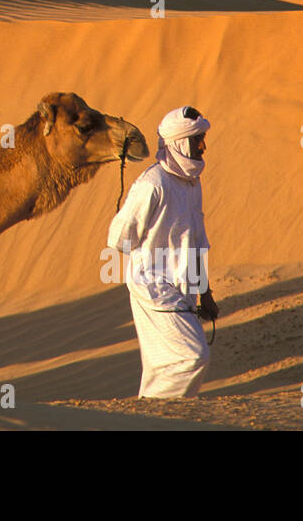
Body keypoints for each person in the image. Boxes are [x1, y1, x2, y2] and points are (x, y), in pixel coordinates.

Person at [107, 105, 219, 398]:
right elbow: (119, 237)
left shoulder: (192, 184)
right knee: (192, 356)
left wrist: (204, 292)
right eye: (197, 139)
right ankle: (159, 411)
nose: (203, 146)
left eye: (202, 138)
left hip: (184, 289)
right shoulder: (153, 183)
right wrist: (151, 264)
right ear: (179, 142)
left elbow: (197, 242)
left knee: (164, 364)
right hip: (155, 288)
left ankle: (151, 418)